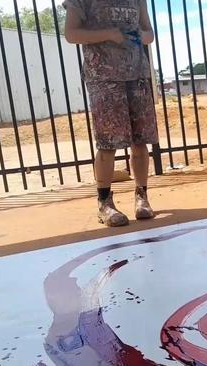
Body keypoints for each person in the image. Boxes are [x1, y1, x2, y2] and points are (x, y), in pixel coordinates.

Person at [63, 0, 157, 227]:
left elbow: (149, 34)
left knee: (140, 140)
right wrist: (109, 34)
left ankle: (142, 197)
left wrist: (140, 35)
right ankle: (104, 203)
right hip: (104, 78)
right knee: (107, 143)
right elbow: (71, 34)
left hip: (137, 74)